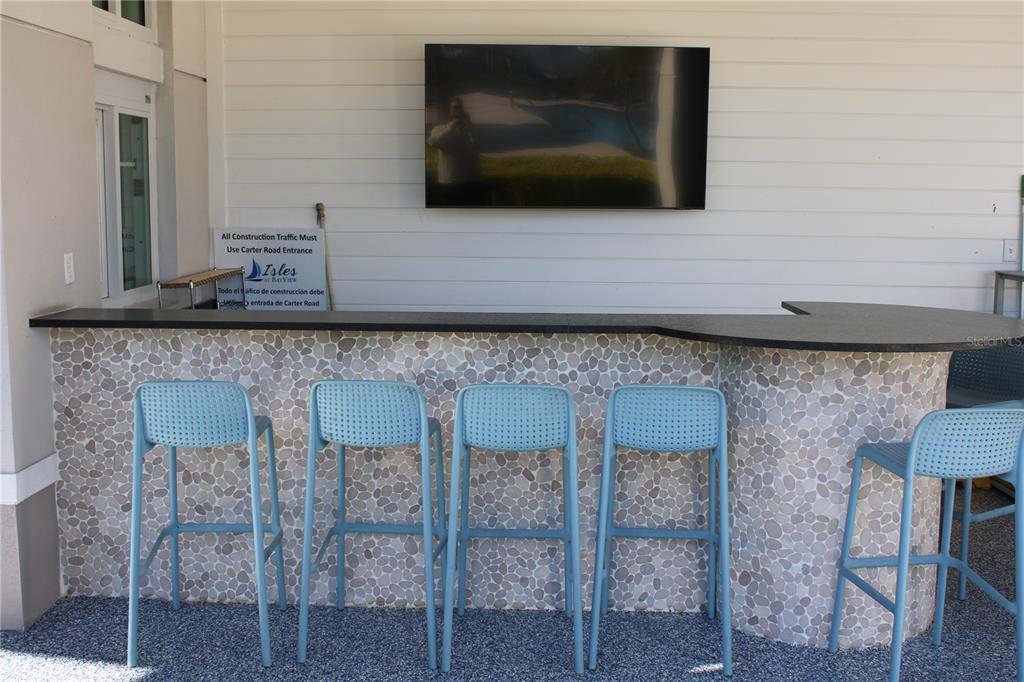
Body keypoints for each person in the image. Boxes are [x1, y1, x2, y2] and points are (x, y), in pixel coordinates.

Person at [427, 96, 479, 185]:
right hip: (449, 180)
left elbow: (479, 147)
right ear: (449, 111)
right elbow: (432, 142)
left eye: (461, 107)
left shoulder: (469, 130)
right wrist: (451, 128)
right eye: (455, 107)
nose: (459, 110)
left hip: (470, 179)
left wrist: (470, 128)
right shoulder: (439, 129)